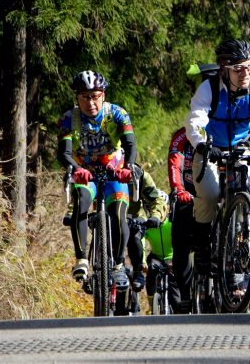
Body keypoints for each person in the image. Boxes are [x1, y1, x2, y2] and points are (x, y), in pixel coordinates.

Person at [184, 39, 250, 274]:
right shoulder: (209, 89)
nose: (245, 73)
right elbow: (195, 120)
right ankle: (203, 245)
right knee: (211, 192)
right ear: (224, 69)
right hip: (210, 149)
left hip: (241, 148)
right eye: (238, 68)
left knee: (247, 188)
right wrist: (203, 144)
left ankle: (242, 236)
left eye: (249, 66)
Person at [56, 70, 136, 290]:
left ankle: (119, 265)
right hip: (85, 171)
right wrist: (75, 168)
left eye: (94, 96)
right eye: (84, 97)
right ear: (77, 98)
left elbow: (130, 145)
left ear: (103, 95)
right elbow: (64, 152)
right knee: (81, 198)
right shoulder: (67, 119)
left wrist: (127, 167)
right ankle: (81, 259)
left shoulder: (118, 113)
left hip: (114, 171)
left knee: (119, 211)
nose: (90, 102)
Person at [167, 126, 197, 313]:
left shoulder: (222, 130)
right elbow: (174, 162)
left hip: (216, 194)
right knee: (180, 245)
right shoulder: (182, 135)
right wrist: (178, 188)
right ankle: (185, 294)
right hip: (187, 194)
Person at [125, 164, 168, 296]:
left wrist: (155, 216)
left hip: (135, 217)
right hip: (111, 218)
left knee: (135, 234)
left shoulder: (140, 175)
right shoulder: (100, 168)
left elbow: (156, 199)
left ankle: (137, 272)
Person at [140, 204, 180, 314]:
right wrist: (143, 262)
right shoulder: (148, 225)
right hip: (156, 257)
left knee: (176, 299)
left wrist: (176, 261)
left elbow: (181, 243)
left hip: (172, 257)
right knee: (151, 270)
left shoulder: (172, 224)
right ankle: (151, 304)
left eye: (162, 209)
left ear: (167, 208)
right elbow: (142, 243)